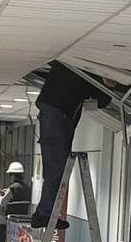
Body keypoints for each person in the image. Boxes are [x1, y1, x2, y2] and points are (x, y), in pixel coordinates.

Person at [32, 60, 112, 230]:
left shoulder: (74, 65)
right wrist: (108, 84)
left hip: (52, 112)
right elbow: (104, 99)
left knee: (55, 168)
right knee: (56, 168)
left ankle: (44, 213)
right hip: (57, 116)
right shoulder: (87, 72)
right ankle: (44, 214)